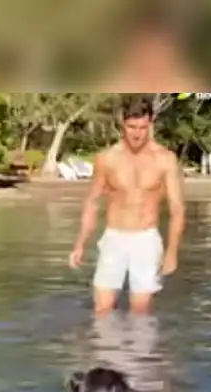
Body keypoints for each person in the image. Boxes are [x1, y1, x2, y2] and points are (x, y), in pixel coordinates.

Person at [68, 95, 186, 315]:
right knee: (102, 310)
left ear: (150, 123)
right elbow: (92, 202)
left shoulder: (165, 159)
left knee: (140, 311)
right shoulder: (107, 159)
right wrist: (80, 244)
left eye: (142, 127)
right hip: (114, 237)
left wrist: (172, 252)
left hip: (146, 239)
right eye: (132, 127)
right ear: (122, 123)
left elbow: (177, 209)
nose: (137, 134)